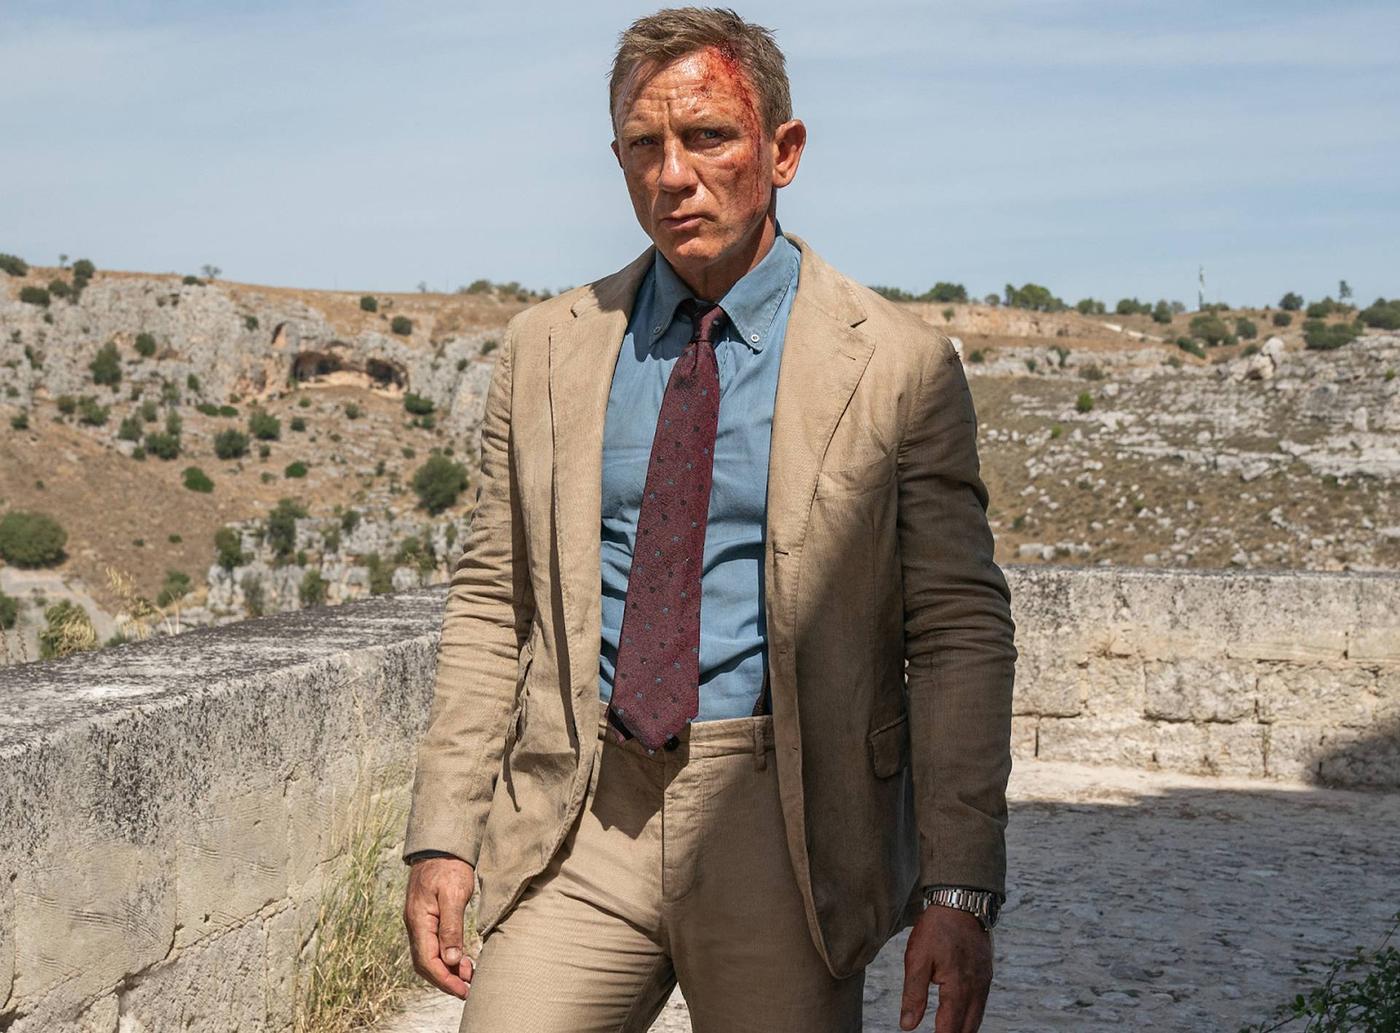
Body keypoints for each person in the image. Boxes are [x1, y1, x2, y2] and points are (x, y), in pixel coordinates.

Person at [401, 7, 1018, 1031]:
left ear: (782, 150)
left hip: (783, 823)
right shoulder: (546, 348)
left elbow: (956, 631)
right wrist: (442, 831)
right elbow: (487, 604)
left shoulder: (898, 365)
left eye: (707, 137)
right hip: (581, 813)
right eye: (643, 145)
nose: (672, 174)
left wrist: (957, 888)